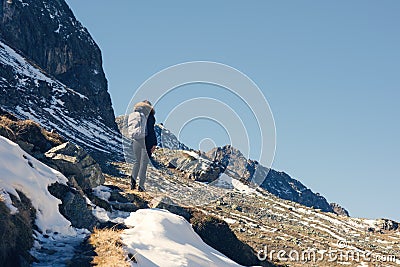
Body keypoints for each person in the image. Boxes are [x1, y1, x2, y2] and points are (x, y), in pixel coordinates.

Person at [127, 100, 157, 191]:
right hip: (146, 142)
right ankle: (141, 186)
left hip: (136, 140)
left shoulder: (135, 113)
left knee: (137, 162)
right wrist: (154, 143)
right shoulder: (149, 115)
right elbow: (151, 130)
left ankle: (132, 184)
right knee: (143, 164)